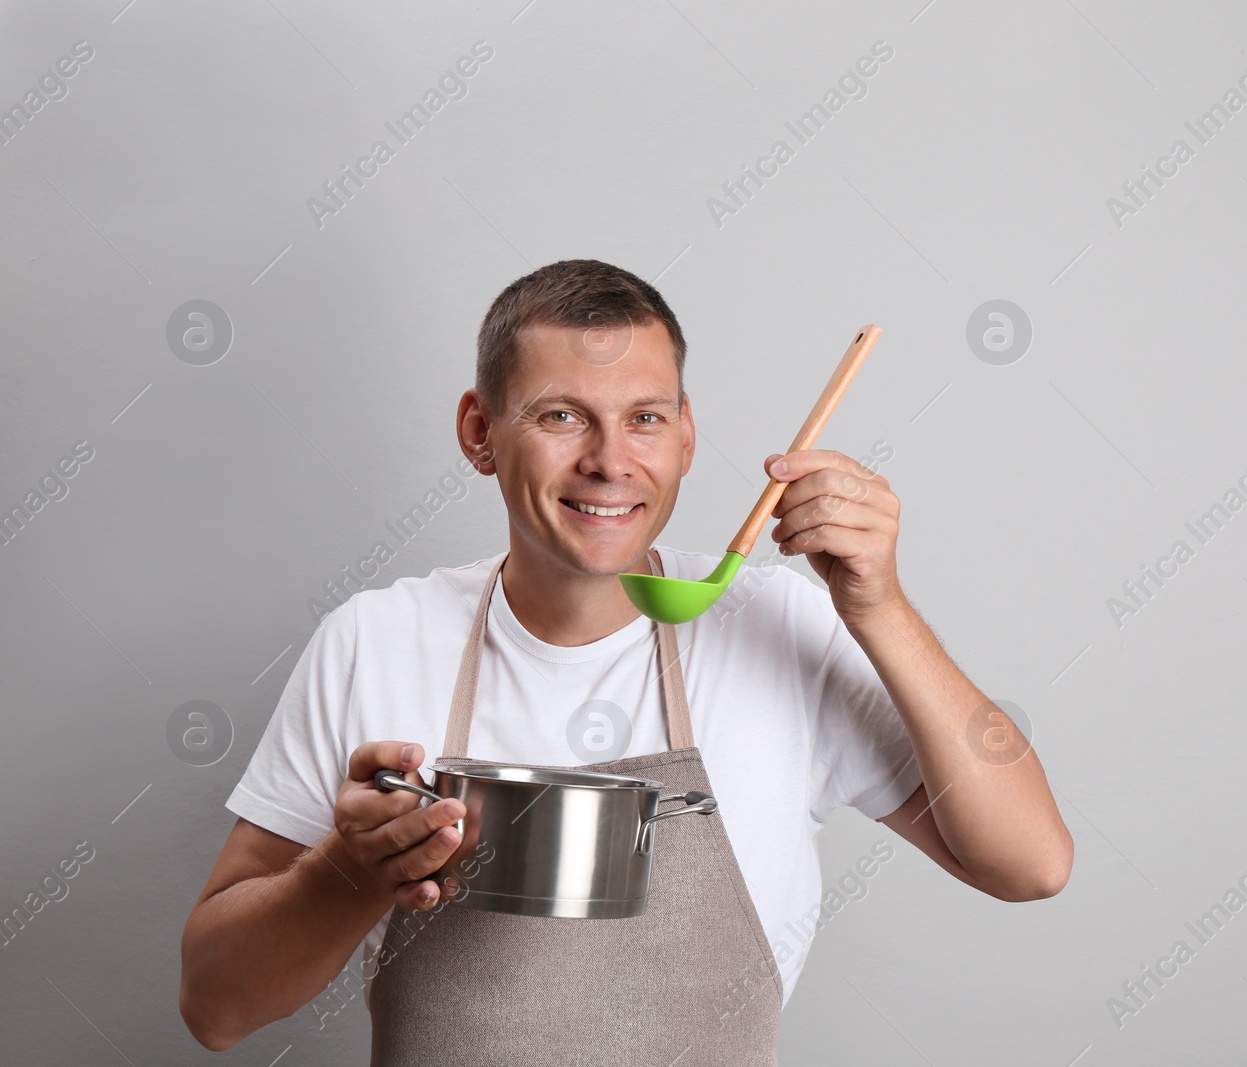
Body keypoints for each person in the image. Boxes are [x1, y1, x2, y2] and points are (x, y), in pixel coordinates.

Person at [178, 259, 1072, 1064]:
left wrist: (880, 607)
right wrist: (348, 868)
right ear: (478, 431)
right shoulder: (378, 639)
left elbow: (1031, 862)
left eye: (644, 418)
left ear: (686, 435)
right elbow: (216, 1008)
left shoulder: (781, 625)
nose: (610, 461)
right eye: (562, 415)